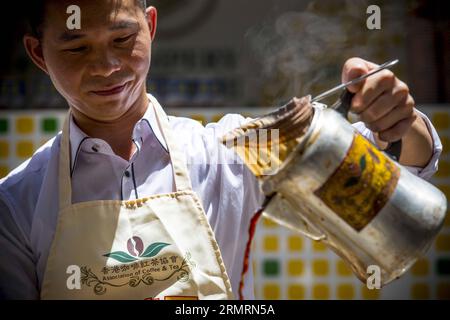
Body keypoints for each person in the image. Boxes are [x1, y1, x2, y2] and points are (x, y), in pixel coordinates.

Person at [0, 0, 442, 300]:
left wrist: (397, 124)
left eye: (122, 39)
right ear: (39, 54)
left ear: (150, 27)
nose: (107, 66)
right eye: (77, 46)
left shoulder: (231, 152)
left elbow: (392, 185)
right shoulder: (16, 203)